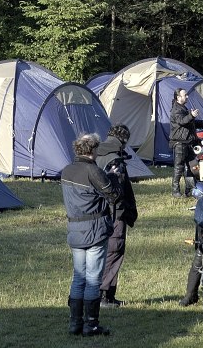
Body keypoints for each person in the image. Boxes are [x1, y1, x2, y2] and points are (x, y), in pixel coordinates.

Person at [61, 133, 120, 336]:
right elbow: (113, 195)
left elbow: (86, 193)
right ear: (93, 150)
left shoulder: (66, 171)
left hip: (75, 229)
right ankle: (91, 324)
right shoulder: (93, 171)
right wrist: (112, 176)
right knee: (94, 278)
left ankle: (75, 323)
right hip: (95, 229)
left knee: (79, 277)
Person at [95, 124, 138, 308]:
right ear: (124, 140)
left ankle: (108, 295)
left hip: (97, 211)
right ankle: (104, 295)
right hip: (115, 213)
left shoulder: (97, 153)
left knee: (103, 252)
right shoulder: (115, 160)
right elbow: (118, 191)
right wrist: (125, 210)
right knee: (115, 250)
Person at [169, 88, 200, 198]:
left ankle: (189, 189)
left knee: (191, 166)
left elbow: (188, 122)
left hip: (187, 142)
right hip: (179, 143)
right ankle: (175, 191)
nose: (187, 97)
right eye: (185, 95)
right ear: (178, 97)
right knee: (179, 167)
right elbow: (182, 121)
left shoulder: (183, 108)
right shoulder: (176, 109)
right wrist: (192, 115)